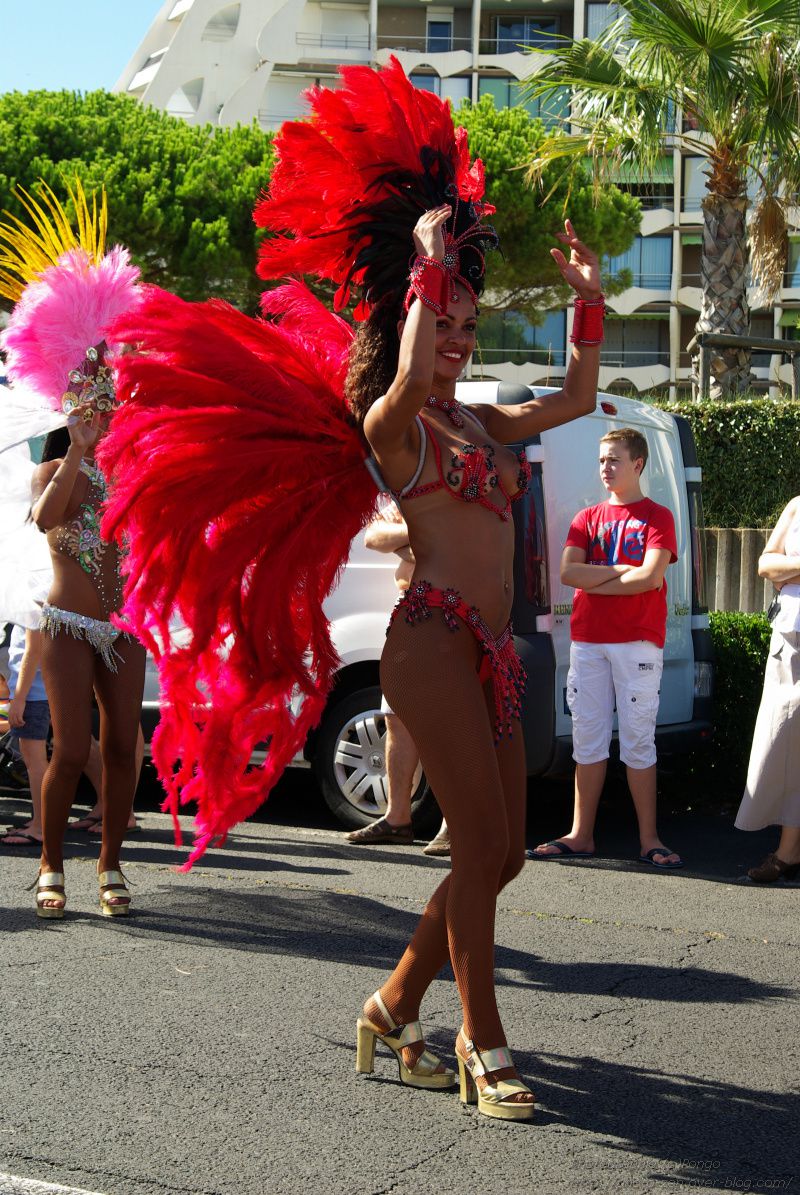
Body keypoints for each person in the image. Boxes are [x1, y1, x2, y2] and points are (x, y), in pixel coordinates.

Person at [95, 61, 599, 1119]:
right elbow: (411, 375)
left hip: (495, 657)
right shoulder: (397, 425)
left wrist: (589, 307)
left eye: (468, 325)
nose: (459, 343)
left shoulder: (485, 423)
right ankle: (478, 1038)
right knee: (475, 846)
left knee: (501, 854)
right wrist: (422, 272)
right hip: (426, 643)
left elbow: (579, 395)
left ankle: (389, 1004)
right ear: (416, 318)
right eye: (446, 323)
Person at [0, 179, 144, 917]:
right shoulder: (55, 468)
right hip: (64, 625)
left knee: (123, 749)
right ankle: (52, 862)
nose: (99, 400)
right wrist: (82, 455)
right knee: (71, 746)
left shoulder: (140, 463)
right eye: (86, 391)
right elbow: (44, 519)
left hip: (126, 627)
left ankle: (111, 865)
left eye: (107, 388)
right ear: (68, 398)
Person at [529, 428, 680, 868]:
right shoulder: (586, 518)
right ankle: (581, 835)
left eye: (614, 459)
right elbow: (569, 574)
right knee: (588, 742)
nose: (605, 468)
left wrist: (599, 574)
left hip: (637, 644)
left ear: (637, 464)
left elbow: (651, 577)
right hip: (588, 643)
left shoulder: (658, 516)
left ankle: (649, 839)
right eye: (601, 461)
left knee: (638, 743)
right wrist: (620, 572)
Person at [345, 502, 450, 855]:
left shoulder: (454, 484)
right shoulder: (408, 493)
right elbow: (374, 537)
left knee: (442, 720)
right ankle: (397, 818)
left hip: (446, 614)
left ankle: (453, 824)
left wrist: (407, 537)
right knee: (396, 717)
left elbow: (452, 546)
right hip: (408, 612)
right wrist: (421, 531)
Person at [735, 496, 800, 882]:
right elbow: (765, 565)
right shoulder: (796, 505)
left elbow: (779, 569)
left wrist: (787, 572)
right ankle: (790, 849)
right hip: (789, 641)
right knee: (785, 742)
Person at [0, 626, 48, 847]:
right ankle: (40, 823)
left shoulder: (33, 597)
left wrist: (19, 698)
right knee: (37, 763)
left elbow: (33, 650)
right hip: (38, 691)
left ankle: (40, 826)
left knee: (35, 764)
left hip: (34, 694)